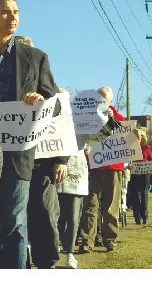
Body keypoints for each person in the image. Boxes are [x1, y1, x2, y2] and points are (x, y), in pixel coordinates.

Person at [0, 0, 62, 269]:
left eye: (16, 12)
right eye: (6, 12)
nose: (13, 17)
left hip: (19, 154)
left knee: (13, 221)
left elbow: (54, 105)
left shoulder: (36, 58)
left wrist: (40, 102)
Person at [78, 87, 127, 253]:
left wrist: (111, 119)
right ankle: (87, 240)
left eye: (104, 98)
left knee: (111, 206)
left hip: (113, 168)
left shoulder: (118, 117)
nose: (100, 101)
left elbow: (125, 132)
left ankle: (110, 239)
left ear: (110, 101)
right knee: (90, 205)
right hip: (93, 167)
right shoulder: (87, 116)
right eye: (98, 98)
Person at [57, 114, 91, 268]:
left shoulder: (84, 122)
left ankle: (69, 252)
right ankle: (53, 246)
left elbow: (94, 142)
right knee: (54, 215)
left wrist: (106, 119)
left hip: (75, 175)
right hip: (53, 172)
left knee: (72, 217)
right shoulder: (54, 120)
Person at [129, 131, 152, 225]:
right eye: (134, 135)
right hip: (134, 173)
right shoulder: (129, 147)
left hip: (145, 173)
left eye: (138, 135)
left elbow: (151, 159)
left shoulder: (146, 147)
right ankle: (137, 217)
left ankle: (144, 216)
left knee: (144, 194)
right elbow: (126, 161)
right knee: (135, 195)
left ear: (141, 137)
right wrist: (128, 166)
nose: (136, 137)